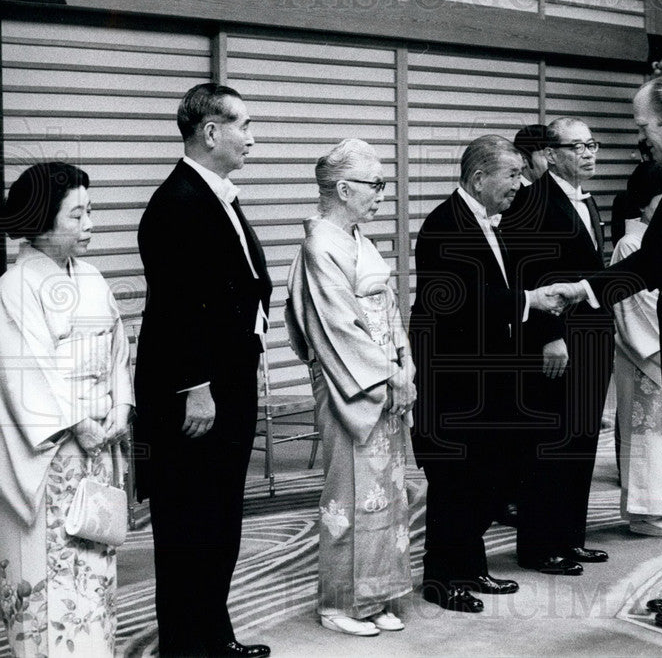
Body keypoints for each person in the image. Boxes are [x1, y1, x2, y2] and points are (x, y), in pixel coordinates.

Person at [541, 76, 662, 622]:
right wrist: (589, 288)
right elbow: (657, 259)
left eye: (644, 126)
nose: (644, 140)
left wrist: (588, 288)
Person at [133, 83, 272, 657]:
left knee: (218, 518)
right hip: (198, 393)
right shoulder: (178, 203)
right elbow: (174, 308)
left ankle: (211, 633)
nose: (252, 139)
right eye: (244, 126)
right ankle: (189, 644)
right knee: (190, 522)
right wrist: (196, 389)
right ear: (211, 132)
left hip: (226, 383)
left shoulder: (216, 194)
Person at [410, 135, 556, 611]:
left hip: (487, 377)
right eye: (512, 175)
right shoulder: (443, 226)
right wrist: (528, 302)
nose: (520, 184)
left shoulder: (492, 221)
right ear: (478, 178)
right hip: (454, 380)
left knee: (485, 478)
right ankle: (440, 578)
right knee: (455, 482)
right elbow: (461, 303)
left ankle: (470, 567)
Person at [0, 162, 132, 658]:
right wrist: (78, 422)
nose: (89, 225)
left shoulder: (93, 278)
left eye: (90, 213)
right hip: (53, 450)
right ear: (41, 220)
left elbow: (118, 351)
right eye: (76, 215)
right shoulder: (16, 286)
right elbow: (24, 371)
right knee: (49, 567)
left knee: (93, 562)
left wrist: (121, 405)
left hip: (99, 439)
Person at [285, 139, 415, 635]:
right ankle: (339, 603)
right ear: (343, 188)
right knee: (349, 491)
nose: (381, 193)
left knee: (385, 493)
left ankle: (377, 594)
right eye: (375, 184)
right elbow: (338, 328)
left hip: (379, 376)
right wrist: (388, 373)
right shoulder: (320, 246)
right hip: (351, 383)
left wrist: (404, 364)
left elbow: (388, 309)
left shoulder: (360, 240)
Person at [501, 118, 614, 575]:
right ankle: (540, 544)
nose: (588, 153)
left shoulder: (587, 202)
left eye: (593, 144)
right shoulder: (531, 201)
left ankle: (570, 536)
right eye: (577, 146)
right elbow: (528, 276)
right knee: (550, 444)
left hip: (593, 337)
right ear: (549, 153)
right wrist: (550, 337)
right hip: (558, 340)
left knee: (583, 439)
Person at [611, 161, 662, 536]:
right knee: (647, 432)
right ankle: (649, 510)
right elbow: (637, 304)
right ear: (643, 203)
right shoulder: (630, 244)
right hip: (645, 352)